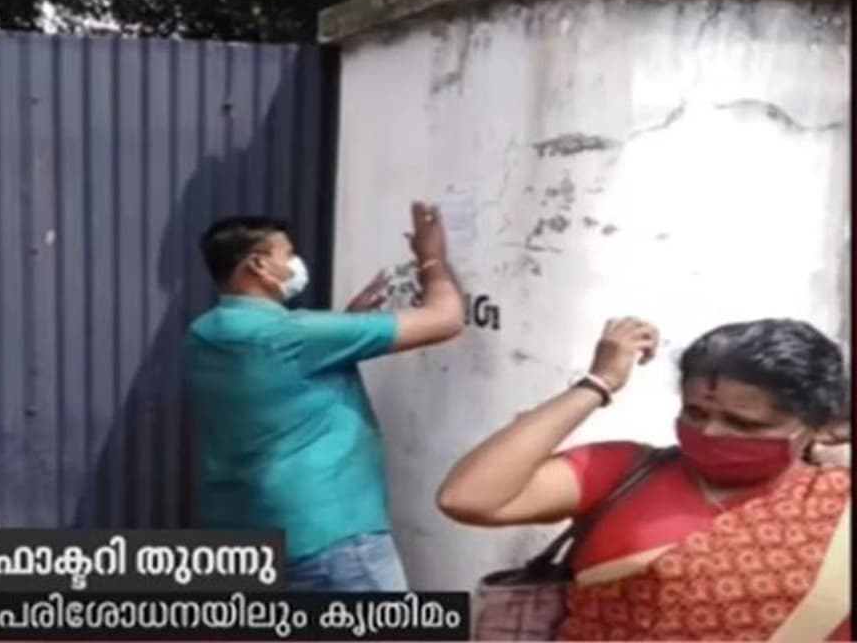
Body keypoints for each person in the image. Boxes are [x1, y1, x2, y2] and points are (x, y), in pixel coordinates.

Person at [437, 317, 851, 641]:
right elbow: (468, 498)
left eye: (743, 423)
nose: (710, 432)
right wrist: (597, 384)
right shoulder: (625, 472)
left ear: (819, 426)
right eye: (695, 413)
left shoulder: (838, 504)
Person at [184, 201, 466, 591]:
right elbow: (445, 319)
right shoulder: (294, 335)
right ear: (259, 265)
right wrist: (431, 259)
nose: (295, 262)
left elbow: (284, 378)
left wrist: (345, 324)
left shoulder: (204, 334)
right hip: (331, 537)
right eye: (287, 254)